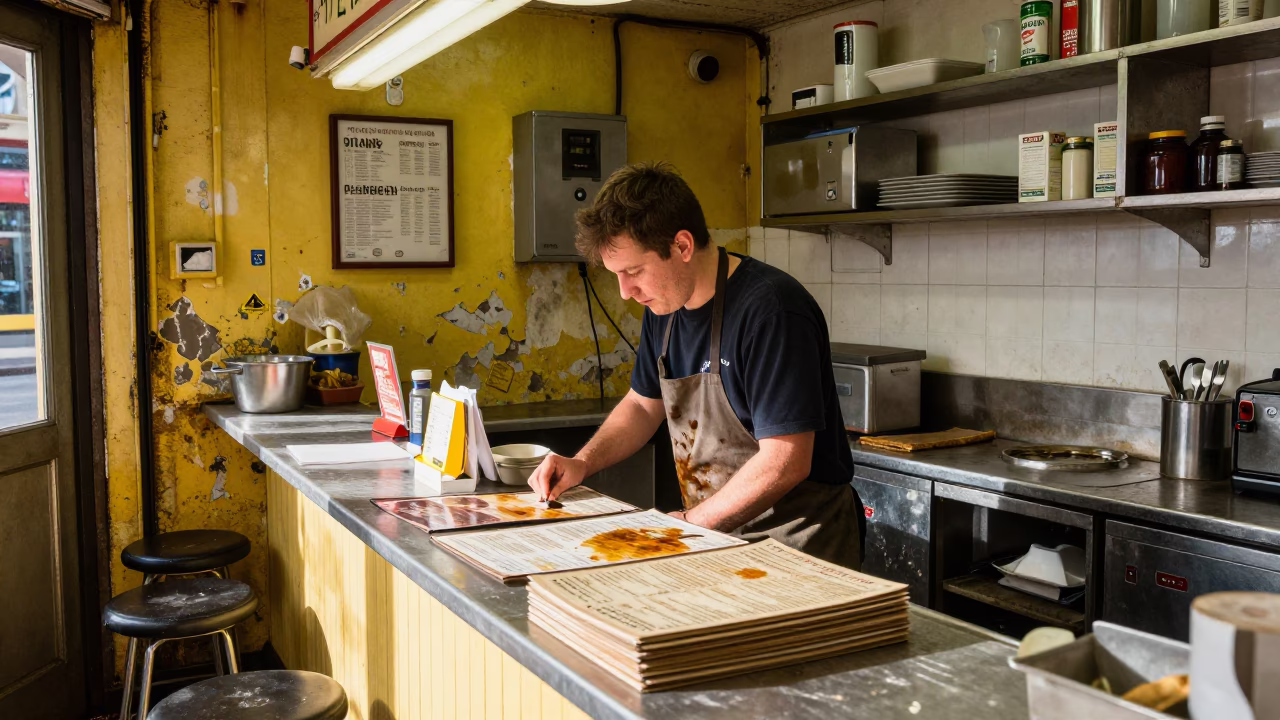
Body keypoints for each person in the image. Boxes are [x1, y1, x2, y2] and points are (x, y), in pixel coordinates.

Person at [527, 162, 862, 568]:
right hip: (716, 536)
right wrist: (582, 462)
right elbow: (642, 405)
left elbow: (785, 460)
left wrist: (688, 525)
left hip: (796, 544)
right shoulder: (664, 308)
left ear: (682, 246)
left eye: (633, 271)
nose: (626, 292)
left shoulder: (772, 311)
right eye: (617, 275)